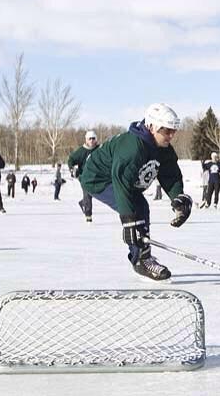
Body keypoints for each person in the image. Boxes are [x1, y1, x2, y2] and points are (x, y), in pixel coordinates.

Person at [79, 103, 192, 281]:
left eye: (173, 131)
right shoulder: (132, 148)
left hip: (121, 179)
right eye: (166, 130)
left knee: (140, 207)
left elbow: (170, 174)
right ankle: (141, 260)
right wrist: (128, 222)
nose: (171, 135)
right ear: (152, 126)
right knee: (137, 209)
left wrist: (178, 198)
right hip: (98, 179)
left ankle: (142, 255)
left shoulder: (163, 149)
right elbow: (122, 184)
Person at [68, 130, 100, 221]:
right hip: (84, 177)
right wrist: (72, 169)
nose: (91, 141)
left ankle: (83, 203)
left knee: (96, 192)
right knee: (87, 195)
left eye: (93, 138)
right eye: (89, 139)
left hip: (96, 176)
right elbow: (71, 160)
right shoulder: (81, 151)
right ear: (86, 140)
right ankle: (88, 216)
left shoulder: (99, 149)